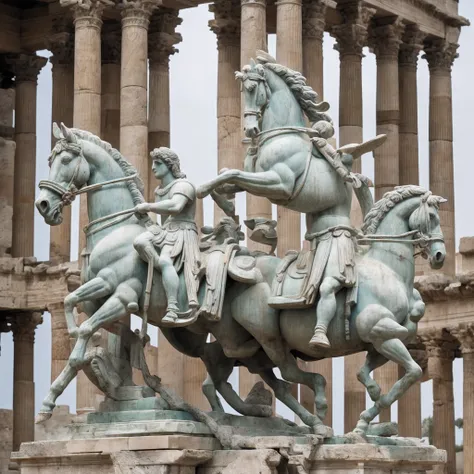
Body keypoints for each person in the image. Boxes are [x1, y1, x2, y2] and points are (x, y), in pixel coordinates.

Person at [134, 147, 200, 325]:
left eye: (158, 163)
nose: (153, 167)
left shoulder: (183, 186)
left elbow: (176, 207)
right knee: (140, 241)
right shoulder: (159, 191)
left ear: (170, 166)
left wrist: (147, 206)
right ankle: (161, 272)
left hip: (183, 231)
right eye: (153, 163)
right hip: (167, 232)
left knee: (165, 260)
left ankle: (173, 307)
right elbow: (164, 221)